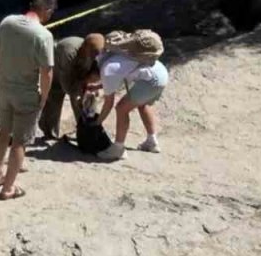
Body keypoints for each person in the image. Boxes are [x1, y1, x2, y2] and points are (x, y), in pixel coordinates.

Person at [0, 0, 56, 200]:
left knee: (3, 132)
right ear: (47, 11)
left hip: (4, 87)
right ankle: (8, 188)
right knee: (20, 142)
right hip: (25, 93)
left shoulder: (7, 22)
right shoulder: (43, 35)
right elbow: (47, 72)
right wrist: (43, 97)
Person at [96, 33, 169, 161]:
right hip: (161, 73)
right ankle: (152, 142)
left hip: (151, 82)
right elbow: (119, 78)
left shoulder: (107, 69)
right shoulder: (120, 54)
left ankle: (118, 149)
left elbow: (108, 103)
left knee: (121, 109)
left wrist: (96, 123)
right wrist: (98, 87)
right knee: (143, 104)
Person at [38, 33, 105, 140]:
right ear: (85, 47)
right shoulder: (69, 52)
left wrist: (87, 89)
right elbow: (67, 84)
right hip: (59, 70)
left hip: (79, 72)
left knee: (85, 102)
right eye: (93, 53)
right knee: (55, 98)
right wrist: (78, 95)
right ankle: (49, 132)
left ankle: (85, 131)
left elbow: (92, 73)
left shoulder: (94, 53)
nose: (95, 56)